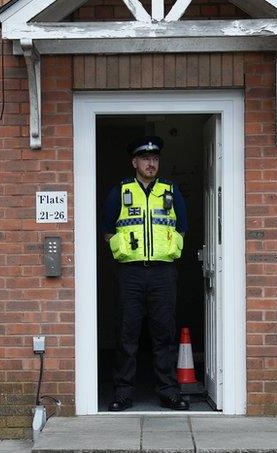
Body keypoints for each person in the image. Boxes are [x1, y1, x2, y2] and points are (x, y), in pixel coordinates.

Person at [101, 135, 190, 411]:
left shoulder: (171, 190)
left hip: (163, 273)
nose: (151, 163)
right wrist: (122, 249)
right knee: (128, 334)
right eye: (145, 159)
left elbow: (182, 226)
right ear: (134, 162)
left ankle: (168, 391)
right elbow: (107, 230)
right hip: (131, 273)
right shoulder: (120, 191)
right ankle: (123, 393)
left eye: (155, 159)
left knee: (164, 334)